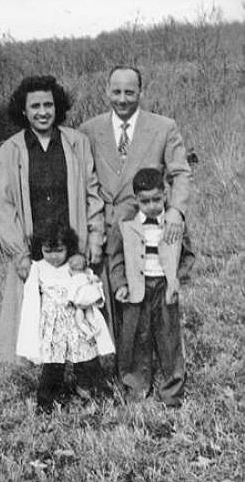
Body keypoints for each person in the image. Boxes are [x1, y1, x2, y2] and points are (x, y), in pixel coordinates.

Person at [0, 75, 104, 364]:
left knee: (77, 309)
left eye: (48, 105)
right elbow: (5, 207)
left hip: (72, 245)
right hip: (34, 251)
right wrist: (19, 254)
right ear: (23, 110)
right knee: (39, 313)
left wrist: (92, 240)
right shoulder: (10, 150)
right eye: (35, 106)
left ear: (58, 107)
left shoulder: (76, 143)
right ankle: (48, 379)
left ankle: (83, 373)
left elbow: (93, 194)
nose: (42, 112)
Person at [79, 65, 192, 343]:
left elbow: (180, 173)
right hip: (106, 228)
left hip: (146, 229)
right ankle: (116, 362)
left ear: (140, 92)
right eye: (116, 91)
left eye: (129, 92)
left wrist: (176, 211)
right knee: (111, 295)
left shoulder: (164, 127)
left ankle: (153, 359)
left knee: (150, 298)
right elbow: (85, 180)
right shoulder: (89, 130)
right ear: (107, 91)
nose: (122, 99)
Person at [108, 168, 195, 407]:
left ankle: (172, 392)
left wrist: (178, 278)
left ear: (165, 195)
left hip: (164, 287)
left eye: (157, 199)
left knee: (169, 339)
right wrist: (120, 284)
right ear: (136, 199)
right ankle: (137, 388)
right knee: (137, 337)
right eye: (145, 201)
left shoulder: (174, 224)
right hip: (138, 288)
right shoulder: (126, 225)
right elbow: (115, 258)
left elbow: (188, 255)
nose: (152, 205)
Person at [16, 220, 115, 413]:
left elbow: (90, 287)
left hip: (76, 321)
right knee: (53, 362)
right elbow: (30, 298)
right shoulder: (38, 267)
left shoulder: (74, 266)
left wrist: (88, 287)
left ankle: (93, 391)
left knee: (86, 358)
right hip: (53, 326)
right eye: (47, 251)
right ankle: (47, 400)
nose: (53, 257)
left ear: (68, 247)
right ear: (40, 248)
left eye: (59, 250)